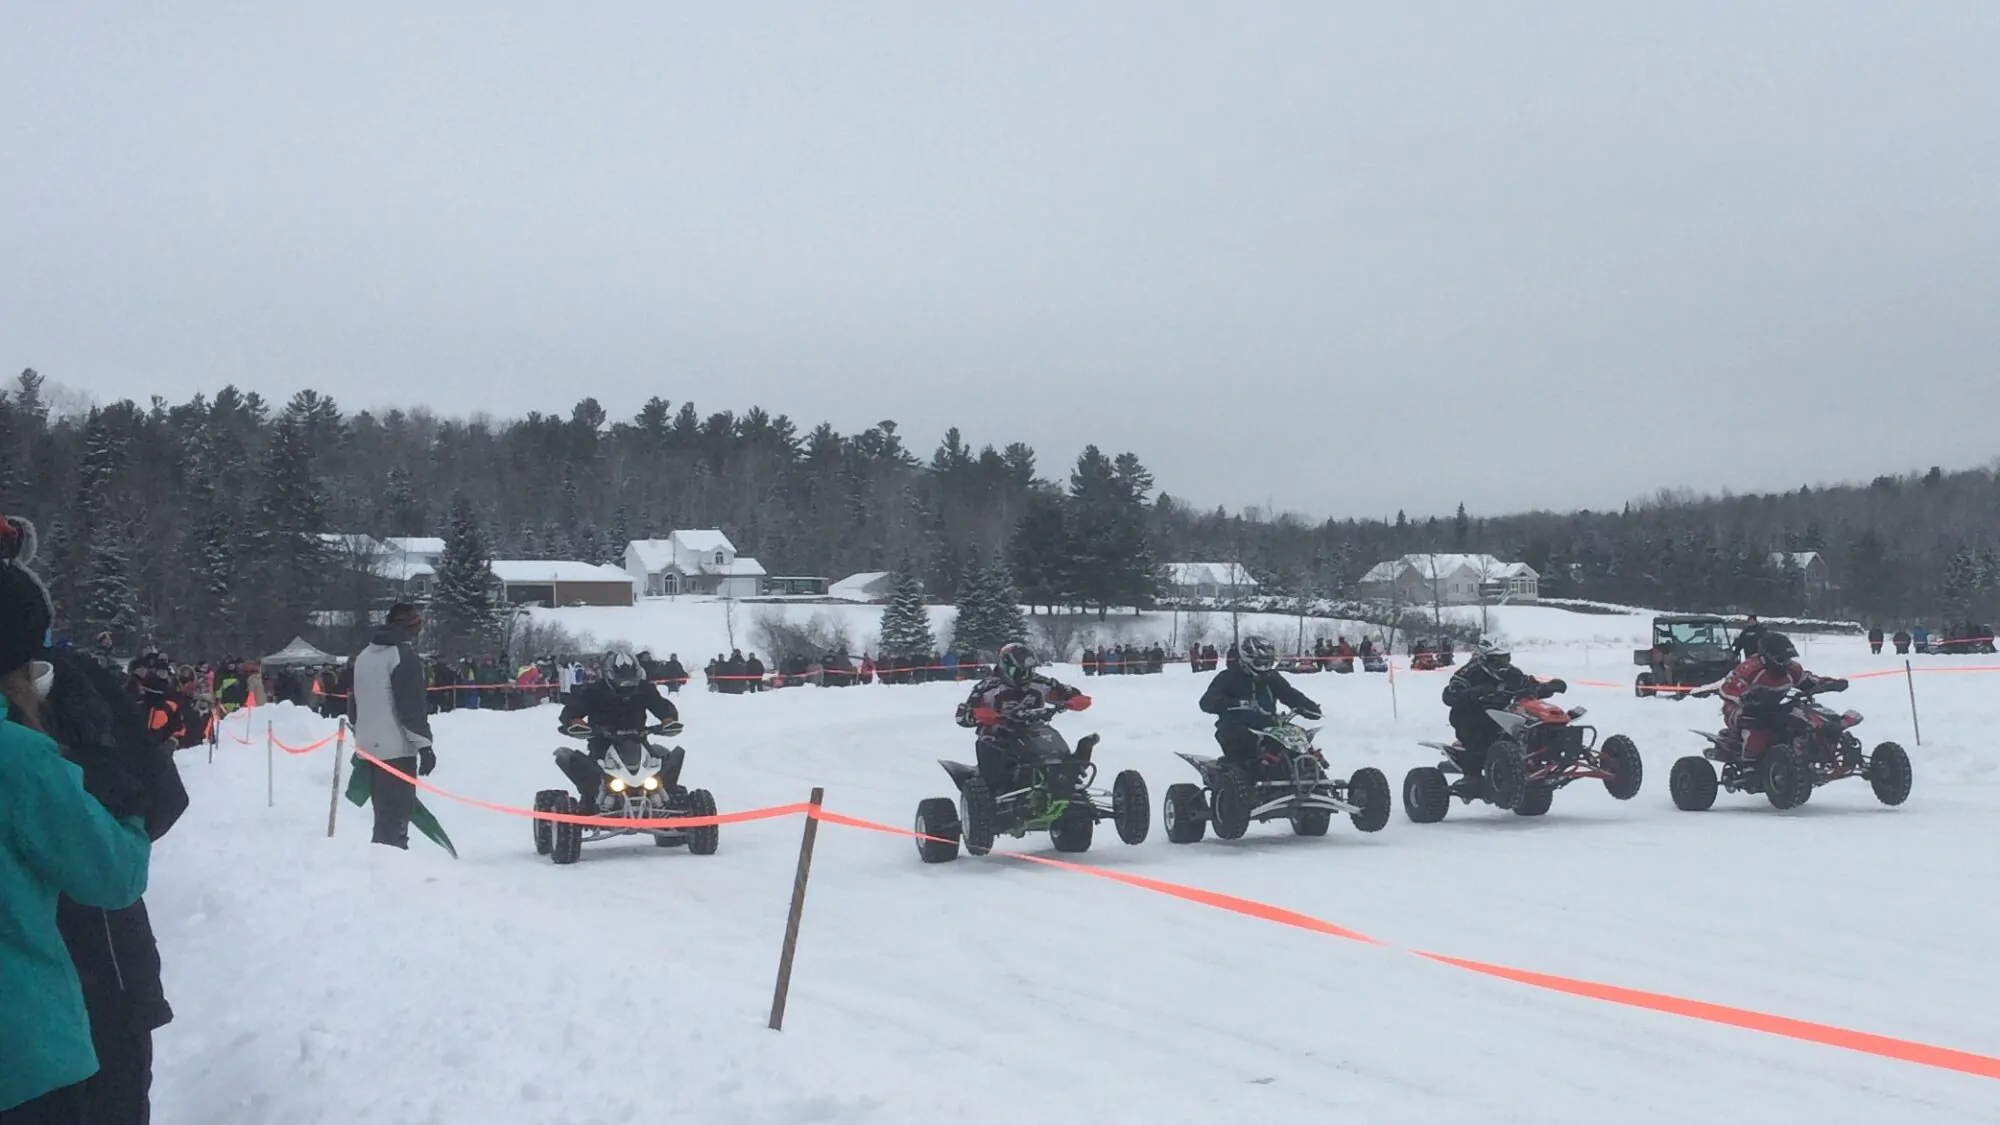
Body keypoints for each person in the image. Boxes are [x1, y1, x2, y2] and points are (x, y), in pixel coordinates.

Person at [0, 515, 159, 1125]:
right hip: (32, 1040)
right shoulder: (20, 754)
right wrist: (115, 803)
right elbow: (116, 868)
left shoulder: (82, 684)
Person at [347, 603, 435, 850]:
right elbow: (411, 707)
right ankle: (390, 871)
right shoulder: (403, 656)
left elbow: (354, 702)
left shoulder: (365, 655)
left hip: (368, 746)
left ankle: (383, 863)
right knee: (396, 818)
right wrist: (425, 746)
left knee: (383, 815)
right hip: (396, 748)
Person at [954, 643, 1089, 791]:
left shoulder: (1038, 682)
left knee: (1055, 745)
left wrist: (1073, 700)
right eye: (1019, 672)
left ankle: (1068, 776)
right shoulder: (987, 688)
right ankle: (995, 797)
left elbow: (1067, 692)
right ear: (1006, 669)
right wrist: (978, 715)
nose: (1025, 676)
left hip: (1034, 731)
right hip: (997, 736)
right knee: (993, 763)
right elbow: (962, 715)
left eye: (1029, 671)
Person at [555, 651, 682, 808]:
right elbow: (573, 709)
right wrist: (575, 721)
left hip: (638, 741)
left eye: (630, 681)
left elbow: (661, 705)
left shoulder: (643, 689)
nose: (626, 686)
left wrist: (668, 718)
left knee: (665, 770)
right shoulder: (594, 691)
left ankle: (673, 808)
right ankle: (589, 806)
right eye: (622, 680)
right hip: (602, 743)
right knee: (589, 776)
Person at [1439, 640, 1566, 796]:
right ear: (1484, 659)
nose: (1502, 665)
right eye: (1497, 661)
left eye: (1506, 659)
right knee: (1478, 730)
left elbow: (1528, 684)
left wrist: (1547, 687)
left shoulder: (1512, 673)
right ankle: (1472, 775)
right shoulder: (1469, 672)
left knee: (1530, 723)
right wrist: (1472, 694)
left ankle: (1539, 758)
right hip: (1471, 715)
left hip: (1504, 714)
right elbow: (1450, 693)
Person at [1197, 635, 1321, 772]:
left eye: (1267, 662)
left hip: (1268, 727)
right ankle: (1251, 778)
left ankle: (1311, 769)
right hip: (1234, 726)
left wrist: (1307, 706)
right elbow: (1206, 702)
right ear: (1247, 658)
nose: (1263, 667)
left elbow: (1289, 694)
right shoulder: (1228, 677)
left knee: (1298, 736)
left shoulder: (1271, 677)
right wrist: (1228, 702)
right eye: (1259, 662)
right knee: (1242, 741)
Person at [1718, 632, 1846, 761]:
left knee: (1804, 716)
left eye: (1789, 659)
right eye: (1781, 660)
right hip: (1741, 709)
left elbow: (1807, 681)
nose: (1786, 664)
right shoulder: (1750, 668)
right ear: (1766, 657)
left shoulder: (1792, 669)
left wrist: (1830, 684)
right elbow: (1728, 687)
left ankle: (1810, 750)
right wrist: (1746, 695)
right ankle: (1749, 764)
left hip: (1776, 707)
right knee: (1758, 726)